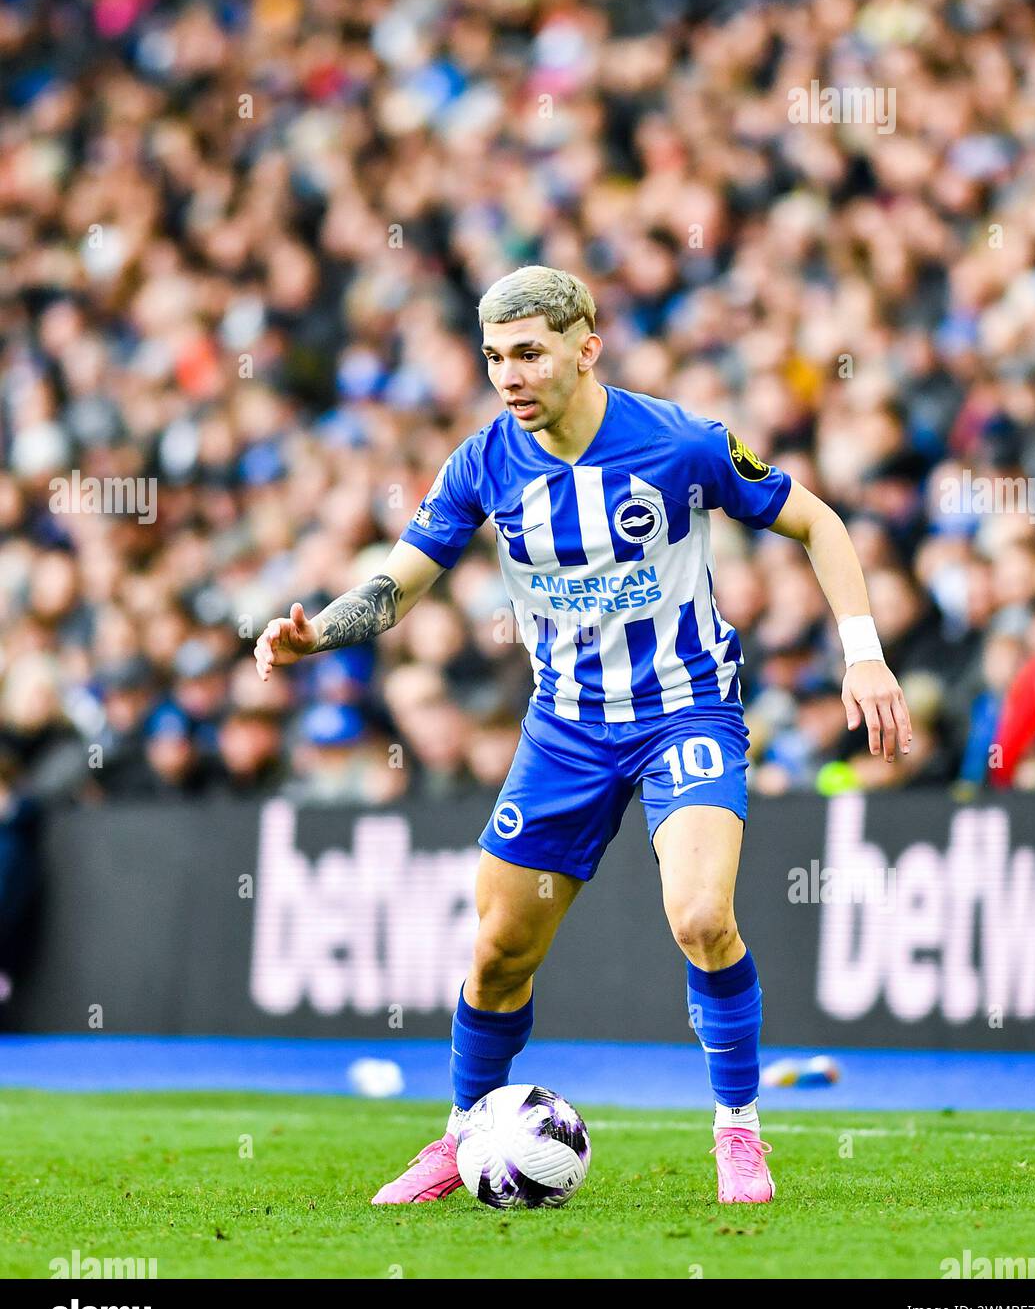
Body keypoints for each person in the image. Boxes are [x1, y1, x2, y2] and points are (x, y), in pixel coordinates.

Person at [254, 266, 912, 1205]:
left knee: (701, 916)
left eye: (528, 353)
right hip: (564, 730)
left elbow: (819, 522)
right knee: (497, 954)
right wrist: (320, 631)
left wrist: (864, 654)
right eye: (493, 358)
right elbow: (397, 585)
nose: (509, 376)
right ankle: (464, 1134)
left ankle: (739, 1129)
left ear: (585, 348)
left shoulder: (679, 441)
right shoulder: (484, 462)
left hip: (685, 710)